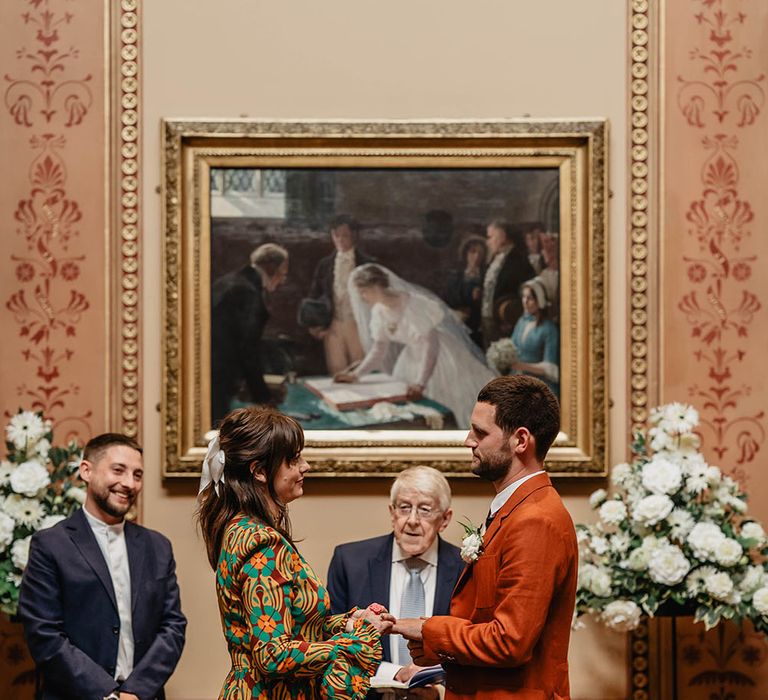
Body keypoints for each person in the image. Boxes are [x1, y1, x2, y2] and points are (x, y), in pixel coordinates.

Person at [394, 376, 578, 699]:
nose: (468, 440)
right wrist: (432, 650)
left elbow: (510, 642)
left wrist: (427, 628)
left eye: (480, 432)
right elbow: (484, 621)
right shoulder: (515, 508)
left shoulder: (535, 520)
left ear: (521, 440)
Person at [195, 406, 393, 699]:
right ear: (260, 471)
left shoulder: (241, 529)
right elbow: (272, 654)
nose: (305, 466)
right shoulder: (261, 542)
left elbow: (298, 624)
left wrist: (352, 621)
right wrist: (353, 642)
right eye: (293, 459)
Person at [18, 433, 187, 700]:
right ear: (86, 470)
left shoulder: (158, 546)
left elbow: (173, 626)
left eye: (138, 475)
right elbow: (44, 632)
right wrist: (106, 693)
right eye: (118, 470)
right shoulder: (50, 545)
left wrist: (136, 691)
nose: (129, 483)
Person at [327, 466, 463, 686]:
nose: (412, 520)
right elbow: (333, 640)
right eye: (404, 507)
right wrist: (394, 673)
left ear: (445, 519)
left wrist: (432, 674)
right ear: (392, 512)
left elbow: (471, 642)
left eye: (425, 510)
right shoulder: (350, 562)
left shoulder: (465, 568)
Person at [335, 264, 496, 429]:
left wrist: (421, 383)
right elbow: (378, 350)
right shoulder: (379, 312)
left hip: (440, 357)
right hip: (412, 357)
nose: (362, 297)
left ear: (375, 286)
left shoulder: (414, 303)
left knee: (450, 405)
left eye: (363, 291)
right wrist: (356, 375)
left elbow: (430, 346)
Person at [210, 242, 290, 425]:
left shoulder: (229, 281)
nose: (283, 279)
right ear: (271, 268)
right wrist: (264, 399)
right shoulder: (247, 292)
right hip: (220, 377)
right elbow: (248, 349)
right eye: (283, 273)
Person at [304, 215, 376, 374]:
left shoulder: (367, 263)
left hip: (358, 325)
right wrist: (314, 324)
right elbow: (314, 294)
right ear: (332, 236)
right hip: (333, 326)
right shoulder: (325, 265)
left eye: (345, 235)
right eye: (337, 235)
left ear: (355, 236)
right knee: (336, 372)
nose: (341, 240)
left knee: (361, 371)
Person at [480, 220, 536, 348]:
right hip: (487, 320)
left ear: (503, 236)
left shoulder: (519, 261)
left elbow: (529, 294)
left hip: (506, 323)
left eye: (490, 237)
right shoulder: (493, 259)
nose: (488, 242)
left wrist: (512, 319)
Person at [510, 278, 560, 397]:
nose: (525, 301)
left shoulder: (549, 329)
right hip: (517, 378)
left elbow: (550, 368)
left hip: (538, 385)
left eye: (530, 298)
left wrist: (523, 366)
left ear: (540, 301)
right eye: (524, 297)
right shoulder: (521, 322)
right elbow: (511, 347)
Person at [445, 235, 487, 348]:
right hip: (459, 325)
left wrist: (481, 297)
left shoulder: (486, 276)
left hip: (479, 328)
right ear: (465, 254)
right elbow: (448, 300)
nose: (476, 256)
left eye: (480, 253)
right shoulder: (455, 276)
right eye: (473, 252)